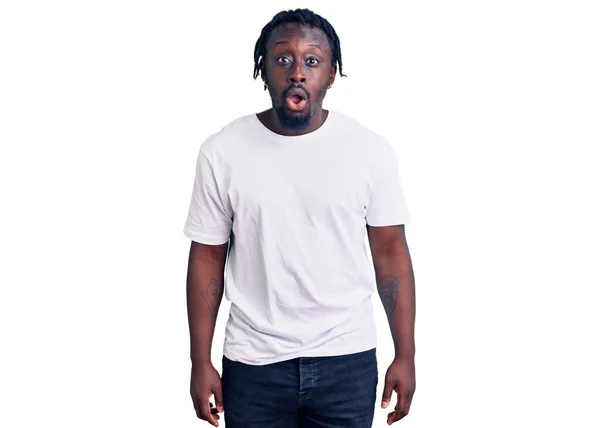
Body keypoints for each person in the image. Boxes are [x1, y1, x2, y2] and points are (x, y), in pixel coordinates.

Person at [183, 8, 416, 428]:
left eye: (312, 60)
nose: (296, 72)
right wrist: (200, 361)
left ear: (331, 73)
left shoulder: (368, 151)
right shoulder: (222, 151)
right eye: (283, 59)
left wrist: (406, 354)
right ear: (263, 69)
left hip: (346, 359)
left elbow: (391, 254)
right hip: (253, 363)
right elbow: (206, 258)